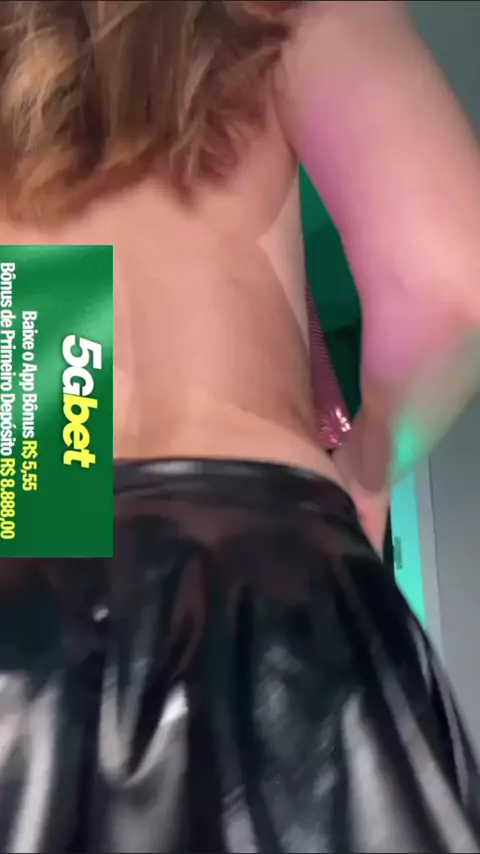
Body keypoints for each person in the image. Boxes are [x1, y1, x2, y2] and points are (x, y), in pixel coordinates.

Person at [0, 1, 480, 851]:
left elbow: (51, 456)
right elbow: (447, 279)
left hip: (30, 587)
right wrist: (368, 469)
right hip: (268, 587)